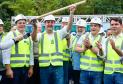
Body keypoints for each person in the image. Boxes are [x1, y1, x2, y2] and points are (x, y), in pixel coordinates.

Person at [31, 5, 76, 84]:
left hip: (57, 67)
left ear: (54, 23)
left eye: (51, 22)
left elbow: (68, 27)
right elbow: (33, 38)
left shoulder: (59, 34)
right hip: (44, 67)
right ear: (45, 23)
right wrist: (35, 27)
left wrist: (71, 13)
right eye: (48, 22)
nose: (50, 24)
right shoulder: (40, 35)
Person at [3, 14, 34, 84]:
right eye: (20, 23)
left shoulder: (28, 36)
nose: (22, 25)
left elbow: (31, 53)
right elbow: (5, 53)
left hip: (25, 68)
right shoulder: (10, 35)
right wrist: (8, 69)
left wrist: (31, 67)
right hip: (14, 69)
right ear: (16, 24)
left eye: (23, 23)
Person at [76, 17, 104, 84]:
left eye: (95, 26)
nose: (93, 27)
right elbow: (76, 48)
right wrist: (83, 49)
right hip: (84, 70)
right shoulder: (84, 36)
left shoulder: (103, 38)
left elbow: (99, 53)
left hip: (97, 71)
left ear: (99, 27)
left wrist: (90, 46)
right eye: (91, 25)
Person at [103, 17, 123, 84]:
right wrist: (99, 50)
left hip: (121, 73)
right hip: (107, 73)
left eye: (116, 24)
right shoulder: (106, 40)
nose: (114, 26)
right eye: (112, 24)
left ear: (121, 26)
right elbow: (103, 56)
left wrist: (114, 48)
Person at [70, 19, 87, 84]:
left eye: (81, 27)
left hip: (83, 67)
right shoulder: (74, 37)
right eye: (78, 27)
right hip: (74, 66)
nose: (79, 29)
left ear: (85, 28)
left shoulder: (86, 37)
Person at [61, 16, 70, 84]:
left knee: (65, 79)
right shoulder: (58, 34)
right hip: (57, 61)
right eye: (63, 23)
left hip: (66, 61)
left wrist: (68, 39)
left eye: (66, 23)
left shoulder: (71, 36)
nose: (65, 25)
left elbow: (70, 47)